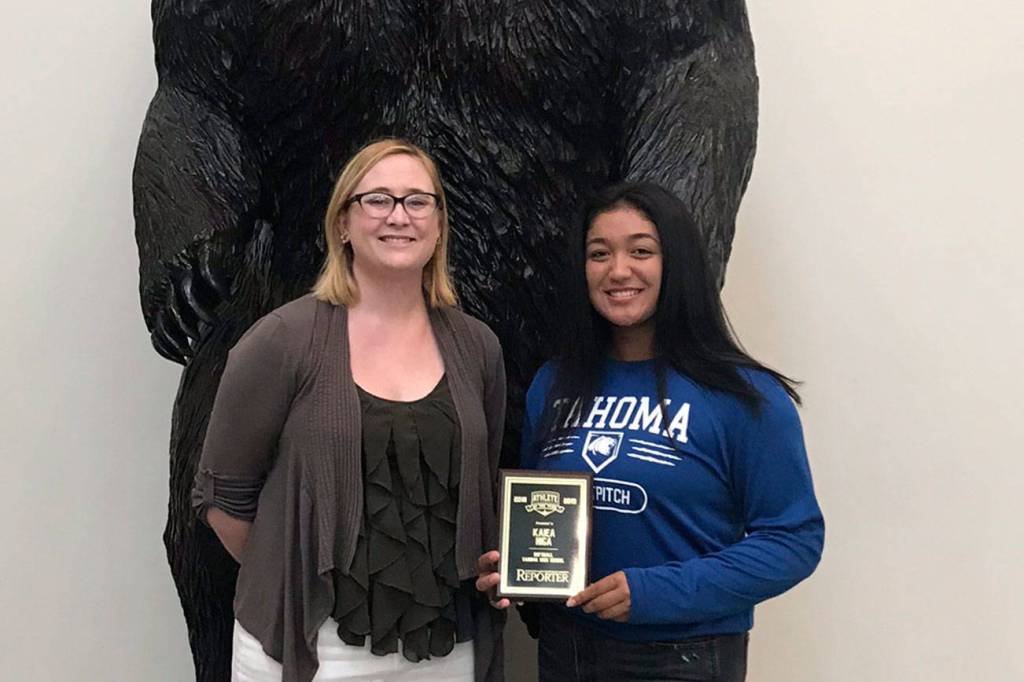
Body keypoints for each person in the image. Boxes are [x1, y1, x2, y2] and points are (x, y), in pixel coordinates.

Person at [476, 182, 824, 681]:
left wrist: (656, 592)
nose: (618, 270)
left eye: (641, 250)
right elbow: (540, 512)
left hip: (684, 656)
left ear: (675, 263)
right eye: (599, 254)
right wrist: (511, 567)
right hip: (566, 652)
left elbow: (793, 539)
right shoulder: (553, 384)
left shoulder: (745, 395)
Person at [192, 139, 507, 682]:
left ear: (437, 226)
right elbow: (222, 497)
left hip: (443, 651)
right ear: (342, 223)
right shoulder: (282, 341)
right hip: (313, 650)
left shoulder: (477, 347)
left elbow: (484, 484)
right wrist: (293, 575)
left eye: (417, 201)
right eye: (377, 199)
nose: (398, 216)